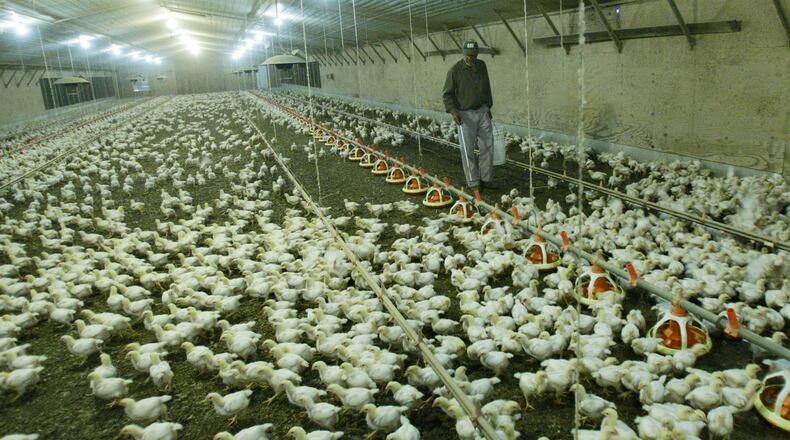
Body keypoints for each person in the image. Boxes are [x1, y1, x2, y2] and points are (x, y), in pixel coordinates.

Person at [442, 39, 496, 192]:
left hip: (482, 111)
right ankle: (473, 182)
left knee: (487, 146)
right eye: (468, 55)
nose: (471, 58)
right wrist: (453, 112)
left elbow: (487, 87)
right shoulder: (455, 70)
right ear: (463, 54)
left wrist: (488, 106)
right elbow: (447, 95)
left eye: (473, 55)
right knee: (468, 150)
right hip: (465, 114)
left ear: (477, 54)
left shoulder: (482, 66)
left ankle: (486, 179)